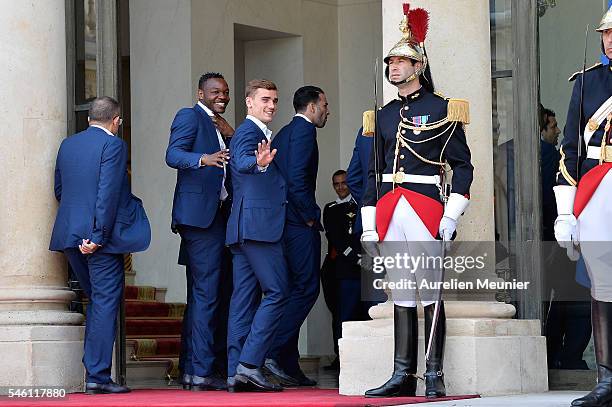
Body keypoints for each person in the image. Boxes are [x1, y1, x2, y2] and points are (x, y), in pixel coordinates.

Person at [361, 3, 473, 399]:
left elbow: (462, 166)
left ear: (418, 66)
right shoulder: (383, 115)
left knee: (430, 292)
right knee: (401, 292)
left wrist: (453, 213)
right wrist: (369, 222)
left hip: (427, 206)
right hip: (392, 208)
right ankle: (402, 373)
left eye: (402, 61)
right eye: (391, 61)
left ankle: (435, 373)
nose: (393, 67)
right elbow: (371, 172)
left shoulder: (443, 108)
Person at [49, 96, 151, 394]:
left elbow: (59, 189)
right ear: (116, 120)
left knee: (97, 301)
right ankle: (97, 377)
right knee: (105, 303)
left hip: (69, 235)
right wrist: (95, 236)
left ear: (89, 118)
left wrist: (80, 227)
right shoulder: (114, 145)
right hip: (98, 240)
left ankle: (95, 371)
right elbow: (108, 193)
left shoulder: (68, 144)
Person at [553, 6, 612, 406]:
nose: (610, 40)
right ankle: (607, 378)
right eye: (606, 34)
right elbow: (570, 151)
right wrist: (565, 211)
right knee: (604, 285)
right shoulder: (588, 83)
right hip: (595, 191)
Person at [166, 72, 233, 391]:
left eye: (226, 91)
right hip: (199, 219)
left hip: (215, 218)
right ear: (200, 93)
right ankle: (202, 371)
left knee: (205, 296)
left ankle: (195, 370)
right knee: (207, 295)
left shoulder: (219, 125)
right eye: (215, 91)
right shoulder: (189, 116)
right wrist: (203, 159)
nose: (222, 95)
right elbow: (173, 155)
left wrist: (230, 135)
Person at [263, 86, 329, 386]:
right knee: (306, 288)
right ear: (312, 106)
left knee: (292, 290)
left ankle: (288, 365)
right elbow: (297, 180)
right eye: (325, 105)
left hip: (282, 223)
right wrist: (311, 215)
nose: (328, 111)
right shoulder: (303, 131)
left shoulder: (285, 132)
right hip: (297, 223)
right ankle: (273, 350)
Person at [225, 79, 288, 392]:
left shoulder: (255, 132)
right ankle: (249, 365)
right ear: (249, 102)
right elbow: (240, 161)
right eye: (265, 99)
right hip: (258, 228)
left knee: (242, 301)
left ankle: (235, 371)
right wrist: (258, 164)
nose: (271, 105)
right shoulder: (249, 132)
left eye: (275, 100)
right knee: (277, 291)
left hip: (244, 228)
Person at [321, 170, 366, 370]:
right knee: (341, 315)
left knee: (365, 314)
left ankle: (363, 358)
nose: (341, 187)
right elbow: (336, 238)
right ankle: (342, 359)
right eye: (336, 184)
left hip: (367, 267)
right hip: (343, 268)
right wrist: (355, 257)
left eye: (344, 183)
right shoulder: (330, 208)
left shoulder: (363, 205)